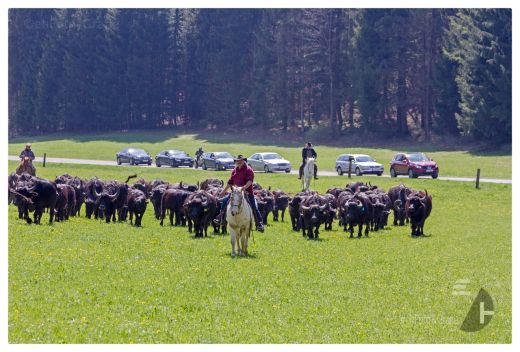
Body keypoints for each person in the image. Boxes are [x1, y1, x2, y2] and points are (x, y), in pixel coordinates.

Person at [214, 154, 265, 232]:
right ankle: (221, 219)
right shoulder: (234, 170)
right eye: (237, 161)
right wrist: (223, 192)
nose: (238, 162)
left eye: (240, 161)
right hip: (235, 192)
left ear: (243, 161)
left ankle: (259, 224)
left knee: (254, 206)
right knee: (224, 202)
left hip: (247, 192)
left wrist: (244, 188)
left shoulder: (249, 170)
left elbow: (250, 181)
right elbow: (230, 182)